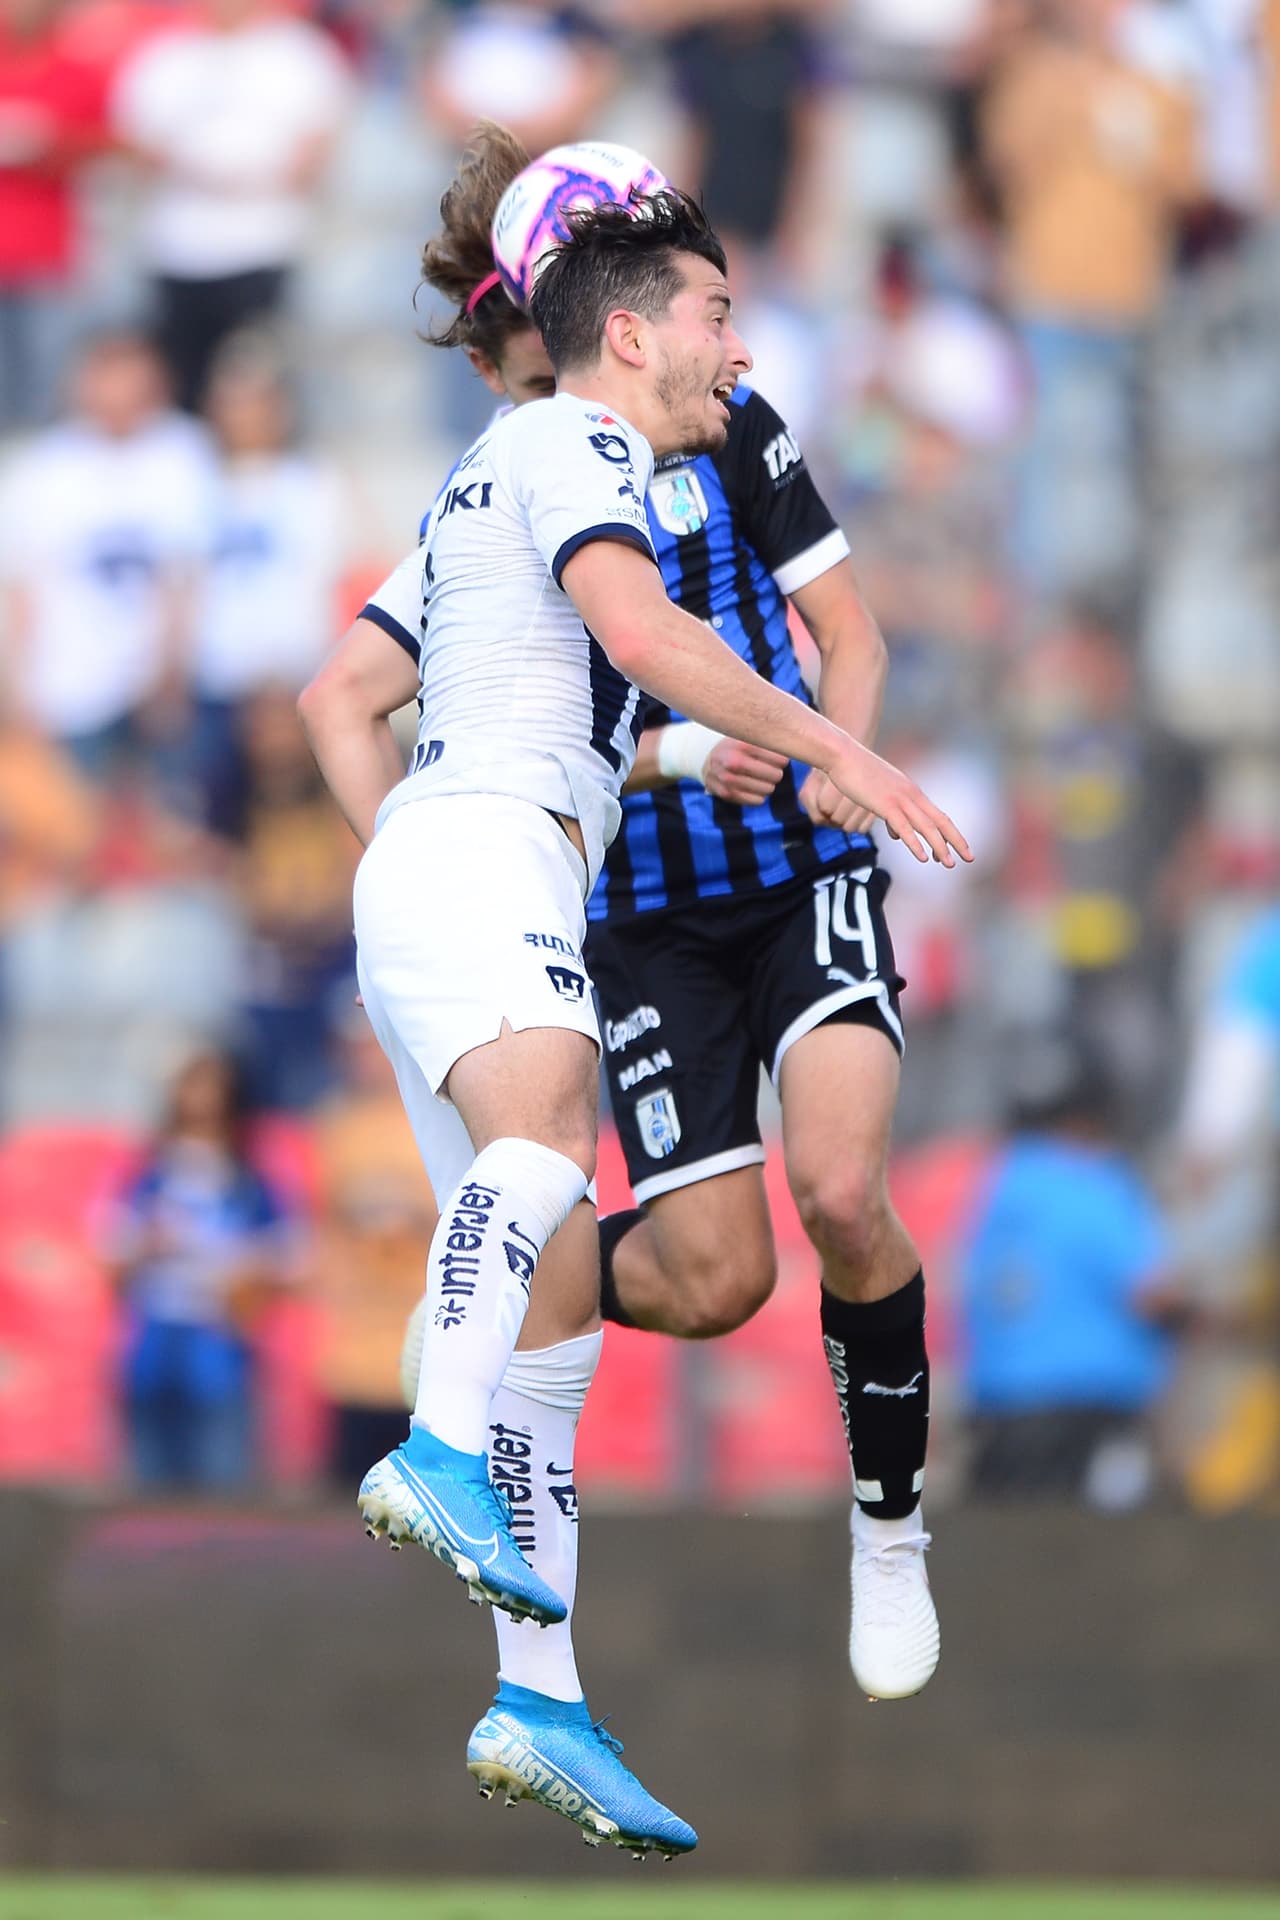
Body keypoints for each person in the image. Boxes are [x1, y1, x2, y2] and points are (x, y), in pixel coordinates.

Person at [299, 138, 970, 1856]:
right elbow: (642, 633)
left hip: (483, 855)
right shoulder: (563, 442)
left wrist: (684, 759)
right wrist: (837, 751)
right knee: (543, 1166)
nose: (735, 352)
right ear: (613, 327)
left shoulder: (499, 470)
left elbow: (554, 700)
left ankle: (543, 1698)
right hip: (502, 865)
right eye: (714, 314)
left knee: (562, 1307)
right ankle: (428, 1439)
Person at [103, 1047, 291, 1489]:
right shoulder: (147, 1175)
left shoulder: (249, 1181)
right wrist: (146, 1245)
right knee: (146, 1494)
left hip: (219, 1352)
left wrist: (241, 1271)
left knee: (221, 1494)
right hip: (153, 1350)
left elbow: (288, 1258)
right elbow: (112, 1254)